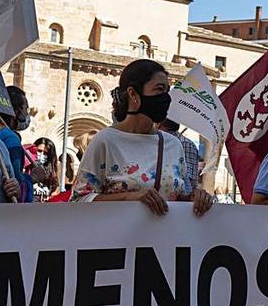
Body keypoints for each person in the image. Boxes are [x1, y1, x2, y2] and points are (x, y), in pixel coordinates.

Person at [71, 59, 212, 217]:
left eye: (167, 91)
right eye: (159, 89)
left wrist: (195, 198)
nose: (166, 98)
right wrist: (128, 197)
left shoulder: (174, 144)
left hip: (163, 239)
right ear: (133, 94)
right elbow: (78, 200)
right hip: (118, 239)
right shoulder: (105, 141)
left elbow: (176, 198)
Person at [0, 85, 32, 202]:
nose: (26, 113)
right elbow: (16, 181)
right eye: (26, 108)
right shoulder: (10, 138)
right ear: (17, 110)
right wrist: (33, 178)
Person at [158, 119, 201, 193]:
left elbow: (189, 181)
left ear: (160, 124)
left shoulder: (185, 144)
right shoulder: (160, 141)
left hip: (179, 199)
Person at [28, 136, 61, 202]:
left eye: (45, 153)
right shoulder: (27, 168)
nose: (41, 154)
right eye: (39, 151)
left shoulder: (52, 171)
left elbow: (55, 190)